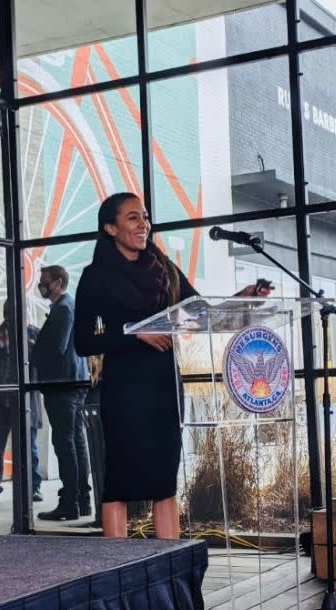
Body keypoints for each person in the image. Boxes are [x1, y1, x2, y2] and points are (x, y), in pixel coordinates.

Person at [73, 192, 273, 539]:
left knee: (165, 481)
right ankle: (116, 570)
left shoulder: (164, 269)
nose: (144, 224)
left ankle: (169, 565)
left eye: (145, 217)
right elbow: (84, 342)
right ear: (110, 228)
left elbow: (199, 313)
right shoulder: (96, 277)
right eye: (133, 218)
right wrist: (136, 334)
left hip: (164, 385)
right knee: (120, 482)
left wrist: (242, 298)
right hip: (124, 391)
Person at [35, 265, 92, 521]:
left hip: (62, 385)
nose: (41, 285)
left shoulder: (63, 309)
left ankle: (70, 502)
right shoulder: (69, 306)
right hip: (74, 384)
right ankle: (82, 500)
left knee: (65, 444)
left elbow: (55, 348)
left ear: (58, 282)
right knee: (76, 442)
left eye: (44, 281)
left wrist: (34, 349)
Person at [0, 300, 43, 503]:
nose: (10, 316)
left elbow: (39, 361)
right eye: (8, 312)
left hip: (25, 398)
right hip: (0, 398)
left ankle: (34, 487)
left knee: (29, 447)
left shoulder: (33, 334)